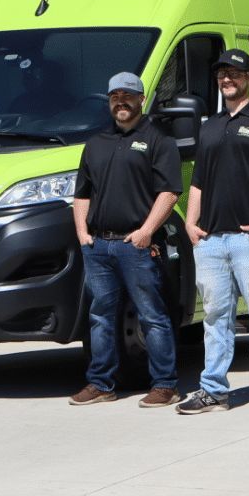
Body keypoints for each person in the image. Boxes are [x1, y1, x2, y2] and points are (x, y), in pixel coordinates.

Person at [177, 48, 249, 419]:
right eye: (221, 74)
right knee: (215, 318)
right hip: (210, 241)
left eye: (234, 73)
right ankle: (213, 390)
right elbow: (198, 180)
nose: (226, 79)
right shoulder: (209, 125)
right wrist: (191, 225)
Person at [69, 72, 182, 407]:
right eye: (115, 96)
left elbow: (170, 192)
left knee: (152, 315)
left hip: (138, 245)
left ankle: (165, 384)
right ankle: (101, 384)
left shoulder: (159, 140)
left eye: (128, 95)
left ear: (141, 99)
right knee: (100, 316)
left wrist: (147, 231)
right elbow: (81, 193)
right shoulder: (96, 143)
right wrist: (82, 233)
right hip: (99, 246)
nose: (121, 101)